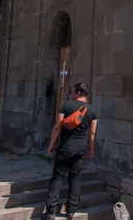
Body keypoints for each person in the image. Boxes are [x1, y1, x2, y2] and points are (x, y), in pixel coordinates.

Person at [44, 83, 98, 220]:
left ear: (78, 92)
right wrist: (91, 149)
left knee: (57, 177)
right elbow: (92, 133)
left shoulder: (66, 106)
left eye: (73, 91)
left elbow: (57, 126)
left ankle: (51, 210)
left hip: (65, 147)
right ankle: (71, 210)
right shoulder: (92, 111)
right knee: (75, 177)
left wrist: (52, 143)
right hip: (80, 149)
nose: (72, 94)